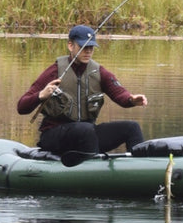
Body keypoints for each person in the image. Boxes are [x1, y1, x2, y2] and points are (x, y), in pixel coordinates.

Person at [17, 25, 148, 158]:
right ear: (70, 46)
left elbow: (119, 94)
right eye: (83, 47)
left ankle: (141, 168)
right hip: (55, 136)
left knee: (132, 127)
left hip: (87, 135)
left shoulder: (99, 72)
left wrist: (132, 100)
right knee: (84, 129)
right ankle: (93, 170)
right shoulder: (54, 71)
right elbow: (22, 107)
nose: (88, 52)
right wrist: (41, 95)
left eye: (91, 48)